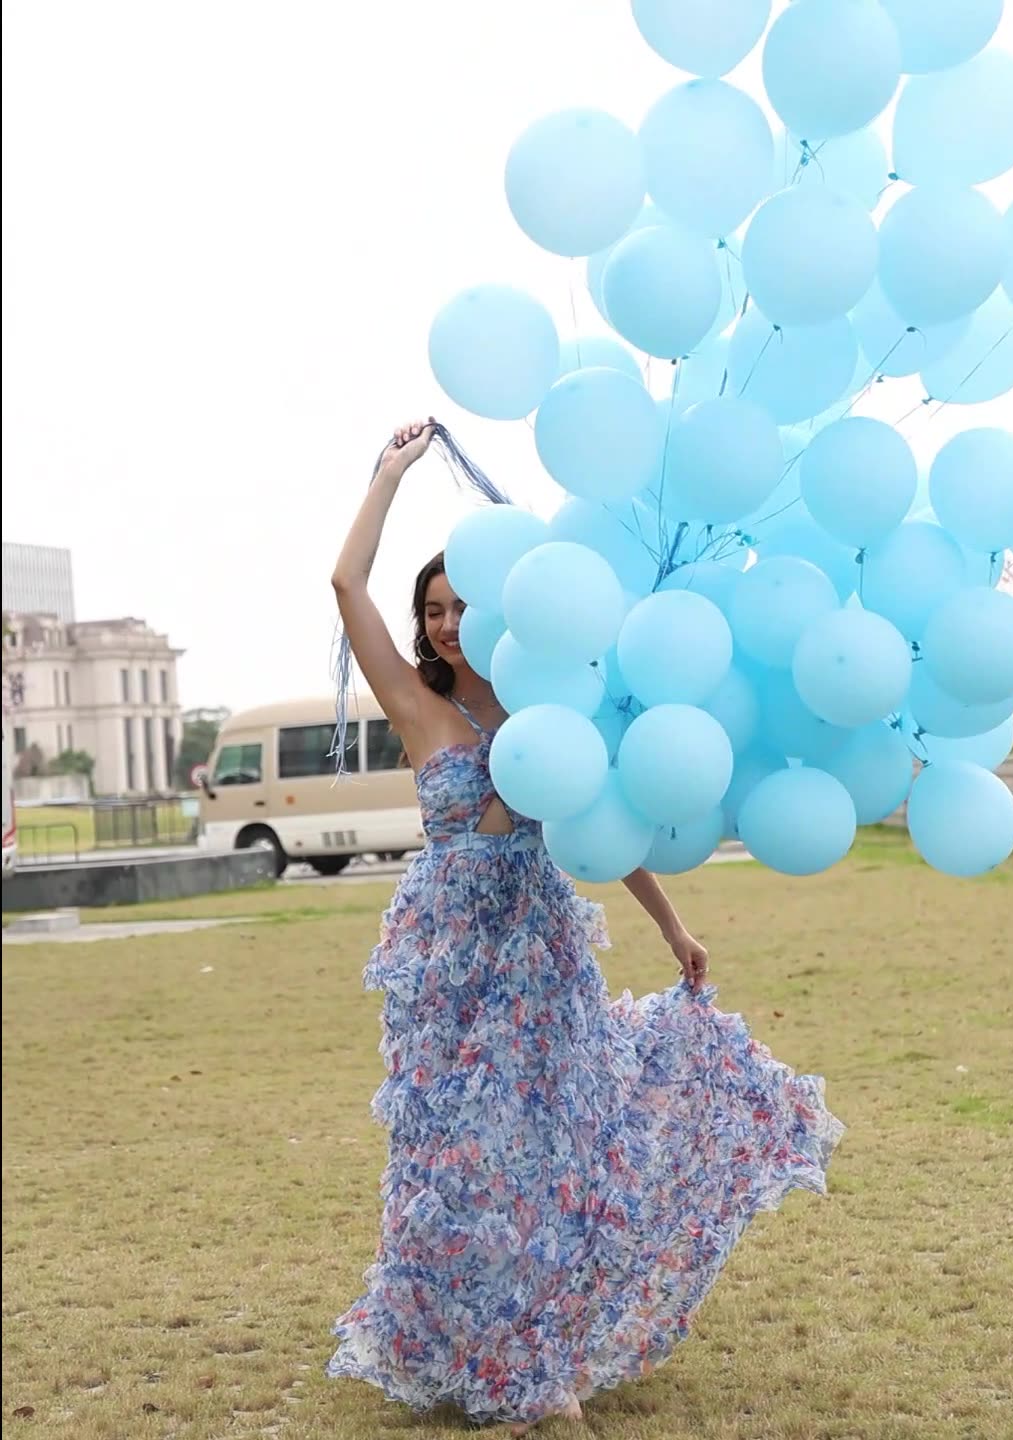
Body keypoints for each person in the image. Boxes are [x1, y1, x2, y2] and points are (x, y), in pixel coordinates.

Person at [327, 419, 844, 1433]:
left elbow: (602, 821)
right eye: (431, 609)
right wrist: (387, 477)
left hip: (541, 955)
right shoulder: (415, 707)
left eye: (461, 605)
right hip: (446, 967)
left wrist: (673, 928)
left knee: (554, 1149)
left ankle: (541, 1359)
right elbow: (345, 588)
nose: (442, 625)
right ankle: (457, 1344)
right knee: (454, 1158)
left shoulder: (543, 703)